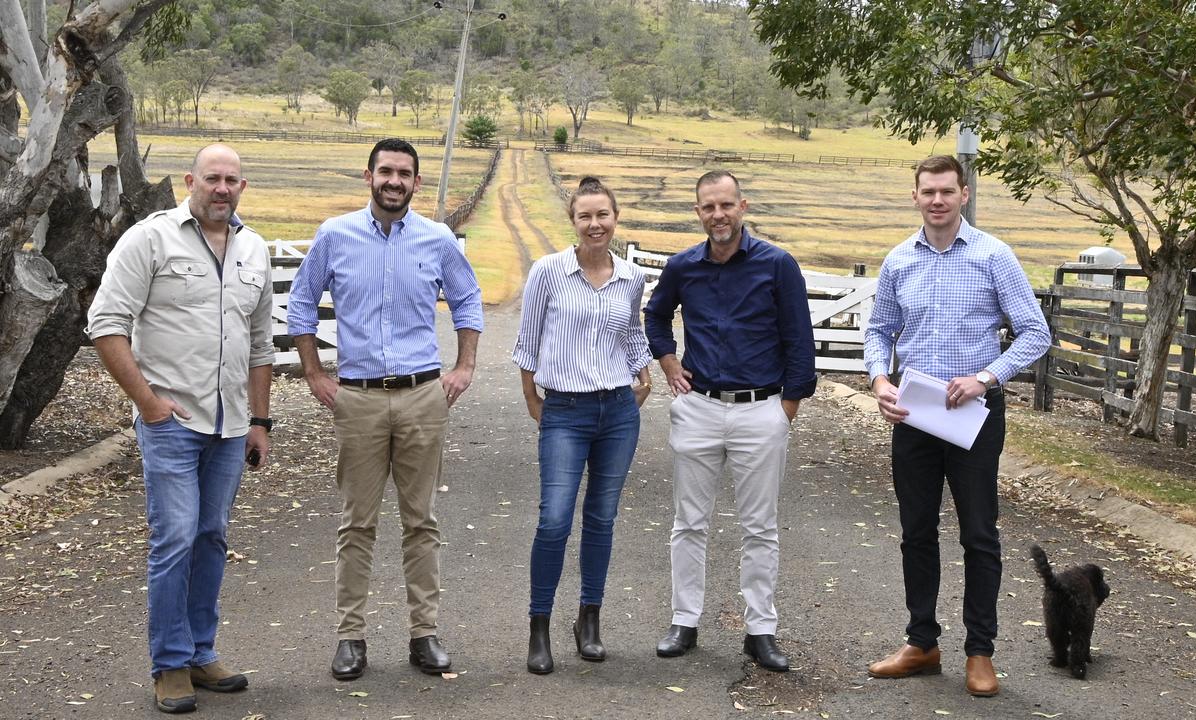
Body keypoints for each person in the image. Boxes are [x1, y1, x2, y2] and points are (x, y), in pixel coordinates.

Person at [286, 138, 483, 681]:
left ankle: (425, 634)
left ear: (416, 183)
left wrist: (463, 368)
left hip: (424, 395)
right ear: (369, 175)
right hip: (360, 398)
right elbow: (301, 304)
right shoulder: (335, 235)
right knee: (357, 523)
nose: (395, 181)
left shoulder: (437, 239)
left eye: (405, 174)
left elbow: (467, 300)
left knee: (422, 521)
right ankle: (351, 638)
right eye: (386, 171)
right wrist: (315, 373)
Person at [87, 144, 272, 713]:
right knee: (175, 539)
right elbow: (105, 322)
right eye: (212, 178)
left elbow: (261, 345)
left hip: (231, 426)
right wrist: (147, 403)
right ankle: (168, 665)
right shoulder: (150, 238)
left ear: (243, 187)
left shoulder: (254, 248)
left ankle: (199, 652)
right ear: (191, 180)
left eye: (232, 180)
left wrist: (260, 421)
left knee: (211, 535)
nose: (222, 188)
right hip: (172, 423)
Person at [863, 154, 1051, 697]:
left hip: (975, 417)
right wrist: (879, 380)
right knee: (916, 531)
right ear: (916, 197)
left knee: (978, 534)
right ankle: (921, 642)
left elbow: (1034, 333)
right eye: (928, 192)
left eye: (948, 191)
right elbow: (879, 331)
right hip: (915, 417)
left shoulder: (994, 256)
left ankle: (980, 652)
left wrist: (987, 377)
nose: (938, 200)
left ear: (964, 195)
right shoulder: (899, 260)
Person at [643, 170, 816, 673]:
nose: (717, 215)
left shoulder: (778, 265)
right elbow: (656, 316)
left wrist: (787, 408)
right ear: (698, 212)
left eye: (726, 205)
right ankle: (684, 621)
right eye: (707, 207)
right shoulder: (682, 267)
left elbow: (799, 340)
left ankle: (760, 630)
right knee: (688, 522)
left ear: (742, 206)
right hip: (698, 407)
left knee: (760, 527)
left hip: (762, 409)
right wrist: (669, 360)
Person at [513, 177, 653, 674]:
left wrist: (645, 374)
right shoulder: (549, 272)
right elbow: (528, 342)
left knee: (601, 518)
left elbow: (629, 333)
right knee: (554, 519)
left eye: (603, 215)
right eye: (585, 216)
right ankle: (539, 626)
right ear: (573, 222)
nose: (595, 224)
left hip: (618, 410)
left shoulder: (632, 277)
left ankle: (589, 619)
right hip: (564, 411)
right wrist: (534, 399)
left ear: (616, 218)